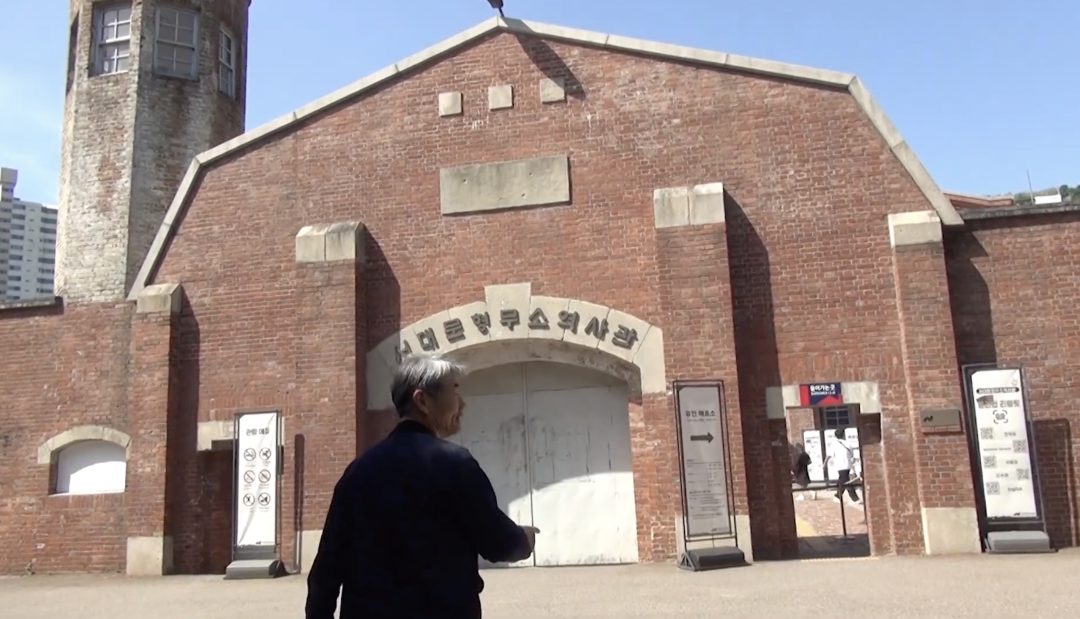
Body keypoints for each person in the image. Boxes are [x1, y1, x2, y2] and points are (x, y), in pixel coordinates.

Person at [305, 355, 539, 619]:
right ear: (422, 401)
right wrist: (524, 539)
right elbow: (497, 542)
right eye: (454, 391)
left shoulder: (357, 472)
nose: (462, 403)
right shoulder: (455, 464)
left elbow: (326, 570)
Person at [827, 428, 860, 503]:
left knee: (844, 481)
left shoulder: (834, 444)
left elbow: (829, 455)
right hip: (848, 465)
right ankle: (852, 498)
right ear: (843, 435)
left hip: (840, 466)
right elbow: (851, 455)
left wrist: (825, 464)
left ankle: (841, 496)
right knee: (845, 481)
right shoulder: (848, 444)